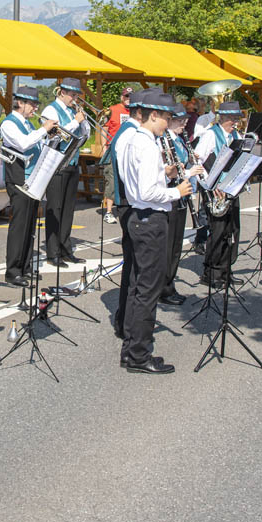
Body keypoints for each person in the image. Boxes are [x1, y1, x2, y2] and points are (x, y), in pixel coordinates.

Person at [117, 89, 190, 373]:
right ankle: (139, 356)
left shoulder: (134, 139)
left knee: (138, 288)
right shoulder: (147, 145)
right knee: (148, 291)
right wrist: (176, 192)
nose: (168, 123)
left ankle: (131, 350)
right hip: (150, 219)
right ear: (154, 115)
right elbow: (148, 192)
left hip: (139, 217)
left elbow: (138, 183)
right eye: (167, 118)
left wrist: (164, 174)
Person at [0, 86, 57, 287]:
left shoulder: (28, 124)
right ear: (20, 103)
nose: (35, 108)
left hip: (32, 179)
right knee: (19, 226)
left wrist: (50, 138)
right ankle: (13, 271)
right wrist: (44, 130)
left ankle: (25, 266)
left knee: (29, 226)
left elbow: (37, 146)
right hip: (18, 179)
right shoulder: (9, 124)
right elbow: (23, 144)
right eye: (32, 104)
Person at [194, 100, 246, 289]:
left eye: (237, 118)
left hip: (232, 189)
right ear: (222, 117)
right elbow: (197, 161)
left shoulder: (236, 135)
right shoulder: (210, 134)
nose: (235, 122)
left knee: (232, 231)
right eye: (232, 118)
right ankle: (211, 273)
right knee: (217, 232)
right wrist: (211, 184)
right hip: (215, 190)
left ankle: (226, 270)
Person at [41, 78, 90, 266]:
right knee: (55, 208)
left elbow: (84, 135)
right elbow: (58, 135)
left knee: (68, 209)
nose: (75, 99)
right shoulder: (50, 110)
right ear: (62, 92)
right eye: (72, 95)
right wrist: (75, 122)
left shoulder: (72, 111)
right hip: (56, 165)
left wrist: (83, 122)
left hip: (72, 163)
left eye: (77, 95)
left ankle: (65, 248)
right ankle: (53, 253)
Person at [161, 103, 205, 306]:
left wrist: (191, 159)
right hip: (170, 195)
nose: (184, 123)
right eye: (180, 120)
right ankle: (164, 287)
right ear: (169, 120)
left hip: (182, 194)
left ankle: (170, 284)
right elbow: (166, 171)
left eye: (185, 120)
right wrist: (188, 172)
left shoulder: (179, 138)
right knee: (169, 245)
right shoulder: (163, 139)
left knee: (176, 244)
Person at [110, 90, 144, 340]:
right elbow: (130, 176)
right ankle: (126, 323)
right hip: (129, 204)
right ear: (141, 112)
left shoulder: (131, 132)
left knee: (134, 267)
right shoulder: (130, 134)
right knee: (133, 268)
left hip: (130, 202)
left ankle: (127, 320)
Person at [101, 87, 133, 224]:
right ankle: (108, 211)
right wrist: (104, 147)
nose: (128, 99)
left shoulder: (135, 112)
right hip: (113, 150)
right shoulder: (113, 110)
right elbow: (104, 128)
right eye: (126, 96)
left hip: (128, 151)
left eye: (130, 97)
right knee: (111, 180)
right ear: (122, 97)